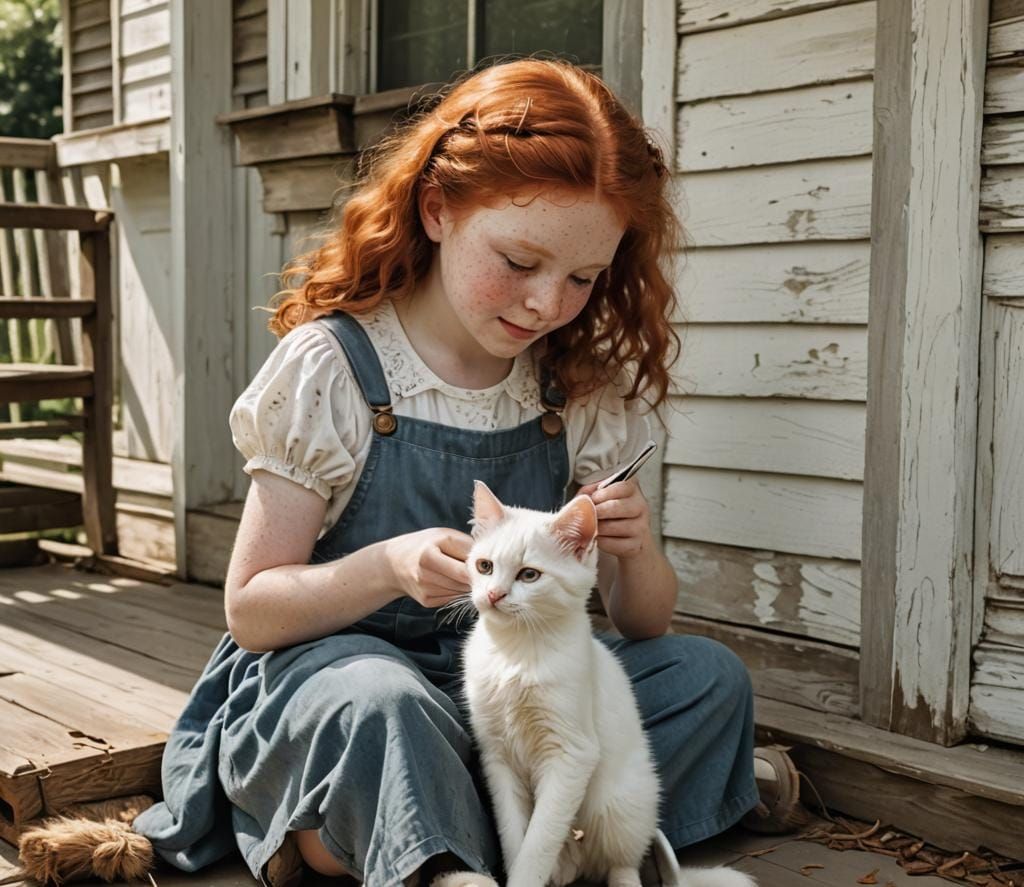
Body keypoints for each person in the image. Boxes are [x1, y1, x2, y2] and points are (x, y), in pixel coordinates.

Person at [131, 57, 807, 887]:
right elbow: (252, 611)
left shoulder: (577, 386)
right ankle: (529, 837)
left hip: (517, 694)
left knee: (707, 678)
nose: (545, 304)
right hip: (346, 682)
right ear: (438, 208)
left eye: (583, 279)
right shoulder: (336, 370)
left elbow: (644, 626)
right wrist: (384, 566)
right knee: (384, 705)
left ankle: (404, 833)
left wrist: (635, 551)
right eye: (521, 262)